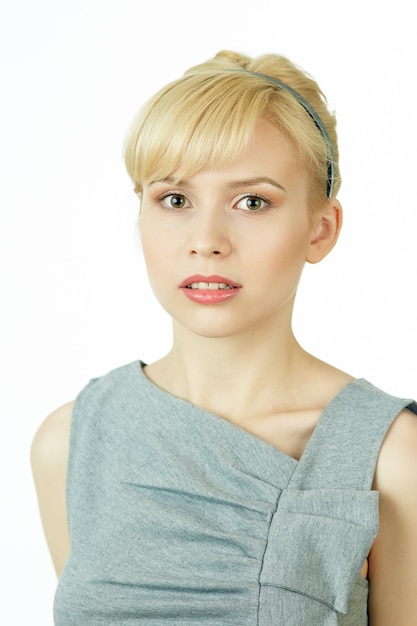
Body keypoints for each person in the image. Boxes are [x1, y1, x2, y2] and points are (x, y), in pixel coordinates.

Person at [31, 50, 417, 625]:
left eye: (252, 201)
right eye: (175, 200)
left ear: (321, 228)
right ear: (140, 214)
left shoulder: (392, 456)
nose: (206, 239)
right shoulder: (70, 441)